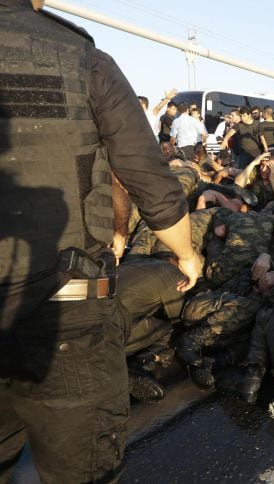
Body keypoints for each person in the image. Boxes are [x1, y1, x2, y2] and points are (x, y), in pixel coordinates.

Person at [0, 1, 201, 481]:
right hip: (62, 304)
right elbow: (144, 177)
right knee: (82, 465)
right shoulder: (78, 58)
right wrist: (186, 255)